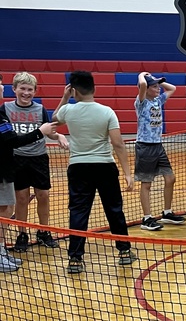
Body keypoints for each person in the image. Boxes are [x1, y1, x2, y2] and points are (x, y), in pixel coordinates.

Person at [52, 70, 136, 275]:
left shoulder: (68, 110)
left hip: (78, 167)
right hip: (104, 166)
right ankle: (124, 252)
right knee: (114, 209)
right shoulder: (107, 111)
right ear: (94, 89)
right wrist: (127, 172)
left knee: (79, 211)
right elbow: (118, 143)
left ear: (73, 91)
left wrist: (64, 97)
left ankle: (75, 259)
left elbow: (54, 118)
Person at [5, 71, 69, 252]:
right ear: (14, 89)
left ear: (35, 91)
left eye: (30, 89)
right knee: (22, 198)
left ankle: (44, 231)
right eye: (22, 89)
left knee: (43, 196)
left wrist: (59, 136)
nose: (26, 93)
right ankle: (22, 234)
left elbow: (48, 130)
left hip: (39, 158)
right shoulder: (6, 109)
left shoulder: (39, 109)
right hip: (17, 159)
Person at [0, 95, 57, 271]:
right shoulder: (4, 112)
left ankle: (1, 251)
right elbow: (13, 141)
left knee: (7, 208)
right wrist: (40, 132)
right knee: (5, 209)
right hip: (7, 165)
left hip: (12, 165)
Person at [134, 71, 186, 231]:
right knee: (147, 183)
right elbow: (142, 84)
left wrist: (159, 81)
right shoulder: (141, 102)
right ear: (146, 89)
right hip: (145, 145)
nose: (158, 89)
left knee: (170, 179)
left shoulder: (157, 100)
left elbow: (172, 89)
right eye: (155, 87)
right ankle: (147, 218)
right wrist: (142, 74)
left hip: (158, 145)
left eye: (158, 86)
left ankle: (167, 212)